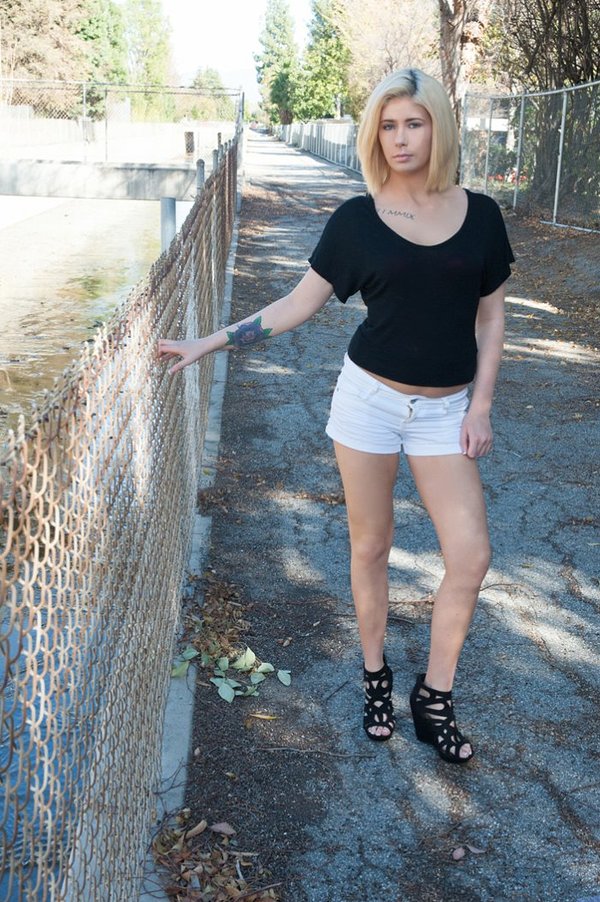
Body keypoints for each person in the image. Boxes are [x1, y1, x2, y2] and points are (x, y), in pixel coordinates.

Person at [158, 68, 514, 764]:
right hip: (369, 403)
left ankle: (434, 697)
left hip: (445, 413)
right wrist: (210, 341)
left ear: (438, 128)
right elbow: (298, 303)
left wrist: (481, 405)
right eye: (388, 126)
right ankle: (376, 676)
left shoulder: (481, 215)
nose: (400, 139)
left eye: (414, 124)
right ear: (374, 135)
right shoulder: (358, 220)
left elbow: (492, 316)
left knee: (471, 555)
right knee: (371, 547)